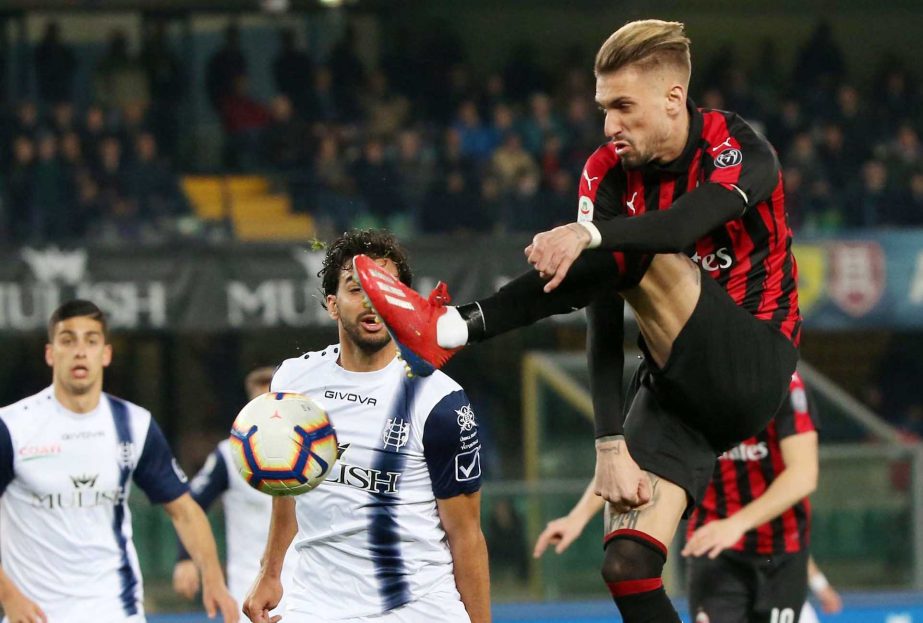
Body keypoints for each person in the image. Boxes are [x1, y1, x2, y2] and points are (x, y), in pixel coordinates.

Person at [354, 18, 799, 623]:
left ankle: (454, 328)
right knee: (627, 566)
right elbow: (603, 307)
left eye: (623, 107)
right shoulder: (605, 172)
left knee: (638, 253)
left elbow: (677, 228)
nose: (610, 126)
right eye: (602, 108)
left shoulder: (741, 149)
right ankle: (449, 330)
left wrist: (585, 232)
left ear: (673, 99)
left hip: (752, 363)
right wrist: (609, 442)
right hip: (677, 390)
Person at [243, 230, 490, 623]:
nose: (373, 300)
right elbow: (287, 484)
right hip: (317, 604)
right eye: (357, 289)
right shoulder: (293, 382)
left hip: (419, 606)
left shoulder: (439, 400)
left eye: (386, 289)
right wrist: (270, 572)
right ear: (332, 305)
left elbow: (466, 535)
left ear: (404, 303)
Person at [0, 300, 237, 623]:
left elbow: (184, 510)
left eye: (91, 340)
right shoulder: (12, 427)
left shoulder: (134, 425)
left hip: (116, 611)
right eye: (68, 340)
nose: (80, 351)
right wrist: (8, 596)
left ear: (106, 354)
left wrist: (213, 579)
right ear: (50, 353)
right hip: (35, 615)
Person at [534, 373, 820, 623]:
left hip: (781, 555)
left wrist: (736, 524)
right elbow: (629, 462)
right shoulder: (682, 381)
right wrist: (578, 516)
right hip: (712, 552)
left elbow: (803, 474)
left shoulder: (780, 383)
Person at [173, 367, 297, 614]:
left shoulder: (314, 452)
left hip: (307, 586)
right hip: (250, 587)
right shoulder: (230, 454)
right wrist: (185, 557)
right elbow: (191, 505)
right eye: (259, 398)